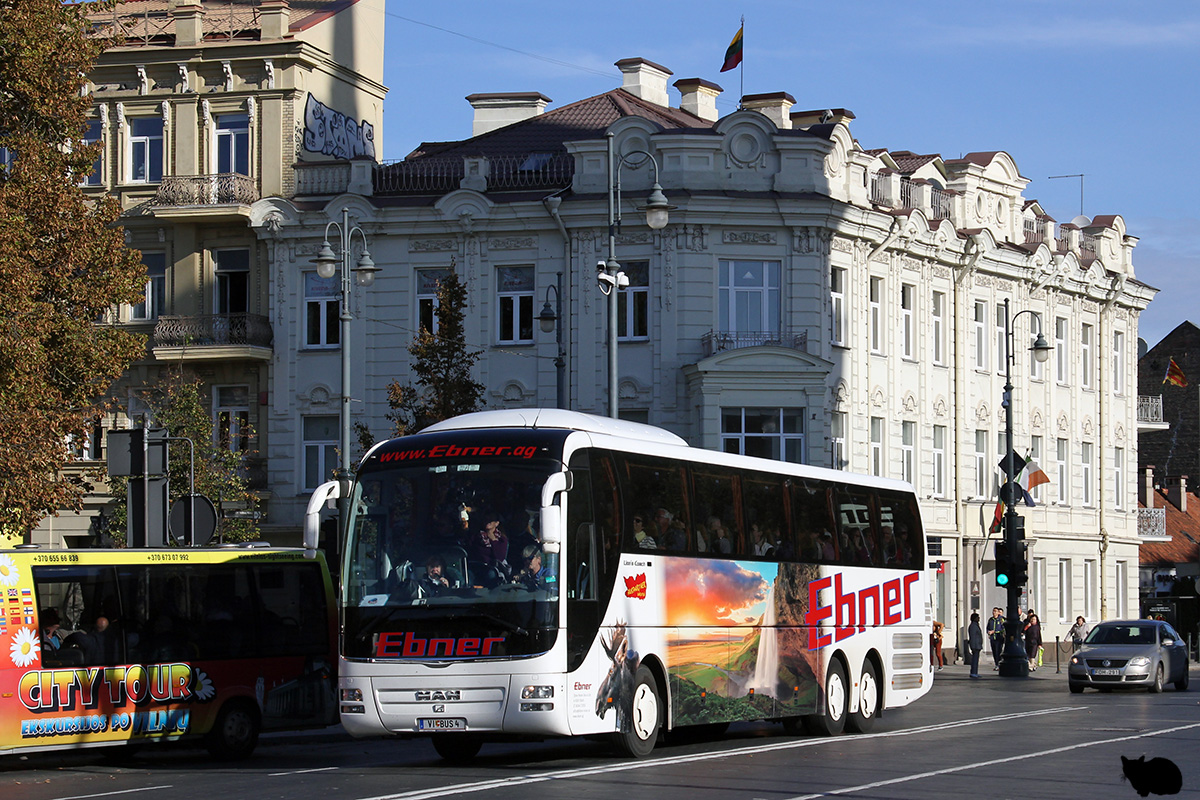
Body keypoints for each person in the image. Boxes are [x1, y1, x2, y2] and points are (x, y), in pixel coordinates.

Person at [469, 513, 511, 578]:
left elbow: (499, 557)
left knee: (491, 574)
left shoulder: (502, 539)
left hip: (492, 569)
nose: (488, 522)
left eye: (490, 520)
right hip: (477, 567)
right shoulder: (476, 537)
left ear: (496, 523)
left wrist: (493, 540)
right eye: (486, 519)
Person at [968, 612, 984, 678]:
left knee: (976, 659)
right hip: (975, 646)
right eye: (978, 617)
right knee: (974, 660)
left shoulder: (976, 625)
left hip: (977, 645)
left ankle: (975, 672)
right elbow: (973, 637)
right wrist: (973, 646)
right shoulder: (973, 626)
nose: (979, 618)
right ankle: (973, 672)